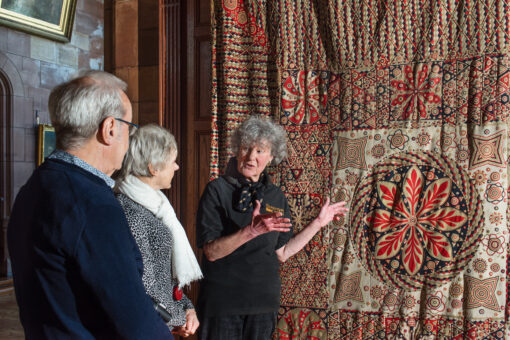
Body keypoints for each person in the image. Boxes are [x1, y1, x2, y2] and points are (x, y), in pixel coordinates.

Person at [7, 71, 173, 339]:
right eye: (129, 128)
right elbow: (135, 322)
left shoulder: (35, 185)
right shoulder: (92, 203)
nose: (129, 140)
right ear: (109, 129)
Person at [196, 116, 348, 339]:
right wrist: (251, 231)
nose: (250, 157)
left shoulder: (275, 195)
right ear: (237, 150)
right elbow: (211, 252)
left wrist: (318, 223)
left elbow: (282, 253)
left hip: (263, 305)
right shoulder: (216, 191)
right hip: (223, 305)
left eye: (259, 151)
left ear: (272, 156)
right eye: (246, 148)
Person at [115, 124, 202, 337]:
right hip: (147, 327)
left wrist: (187, 306)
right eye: (172, 161)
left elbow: (164, 276)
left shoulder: (157, 204)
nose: (177, 167)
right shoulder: (130, 210)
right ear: (153, 167)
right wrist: (177, 319)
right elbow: (144, 285)